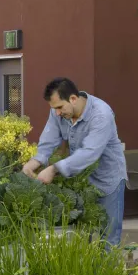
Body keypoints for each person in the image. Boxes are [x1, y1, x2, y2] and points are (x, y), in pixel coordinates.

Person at [22, 77, 127, 246]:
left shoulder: (101, 114)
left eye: (59, 107)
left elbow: (89, 153)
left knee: (108, 239)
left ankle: (107, 271)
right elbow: (49, 140)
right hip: (80, 181)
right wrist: (35, 161)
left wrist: (53, 169)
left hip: (108, 181)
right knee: (81, 236)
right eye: (53, 108)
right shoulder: (59, 111)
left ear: (73, 98)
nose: (57, 113)